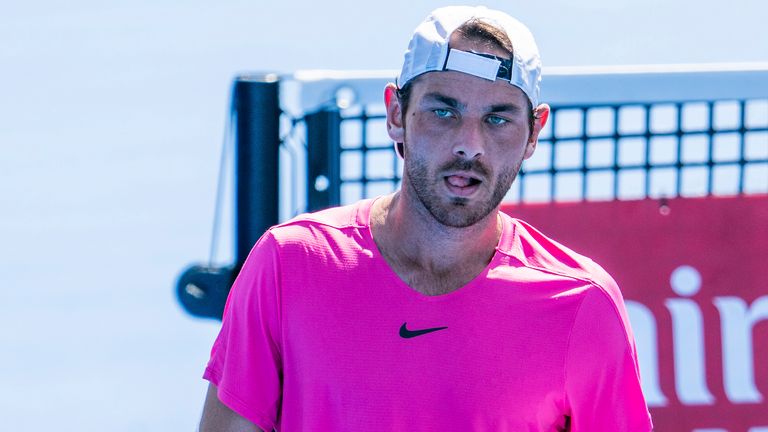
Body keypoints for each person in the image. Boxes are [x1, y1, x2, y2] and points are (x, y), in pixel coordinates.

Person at [199, 5, 653, 431]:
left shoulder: (583, 303)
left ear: (534, 134)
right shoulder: (287, 264)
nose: (469, 145)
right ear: (396, 114)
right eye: (444, 111)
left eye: (498, 119)